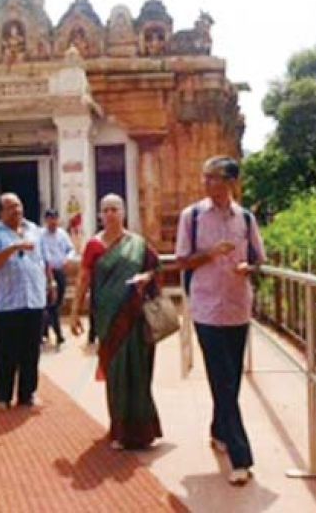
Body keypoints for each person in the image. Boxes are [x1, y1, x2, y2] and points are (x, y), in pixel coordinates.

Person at [175, 156, 265, 486]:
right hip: (207, 308)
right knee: (222, 380)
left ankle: (218, 429)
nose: (208, 184)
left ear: (230, 182)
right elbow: (183, 261)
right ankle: (241, 458)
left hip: (237, 307)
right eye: (206, 177)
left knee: (231, 380)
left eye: (214, 178)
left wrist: (248, 269)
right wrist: (211, 254)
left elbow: (259, 259)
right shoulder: (193, 216)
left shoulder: (245, 218)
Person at [69, 193, 162, 450]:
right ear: (99, 214)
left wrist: (146, 277)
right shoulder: (94, 246)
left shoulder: (138, 244)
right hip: (109, 320)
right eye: (105, 209)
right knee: (116, 375)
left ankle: (144, 432)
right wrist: (76, 312)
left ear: (123, 213)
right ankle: (120, 431)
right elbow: (84, 279)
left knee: (140, 373)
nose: (110, 214)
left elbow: (156, 269)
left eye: (115, 209)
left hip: (137, 318)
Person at [0, 193, 53, 409]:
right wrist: (13, 248)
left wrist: (51, 283)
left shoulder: (34, 230)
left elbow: (44, 260)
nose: (17, 210)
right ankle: (2, 396)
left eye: (19, 205)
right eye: (11, 207)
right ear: (0, 212)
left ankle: (27, 393)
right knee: (5, 353)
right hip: (7, 304)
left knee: (31, 352)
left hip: (34, 300)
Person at [40, 209, 75, 348]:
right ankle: (58, 334)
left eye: (55, 219)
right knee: (50, 304)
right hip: (46, 272)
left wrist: (67, 259)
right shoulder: (41, 236)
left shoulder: (62, 234)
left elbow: (70, 249)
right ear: (46, 220)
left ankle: (45, 331)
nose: (53, 222)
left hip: (60, 270)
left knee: (56, 303)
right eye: (50, 219)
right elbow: (41, 254)